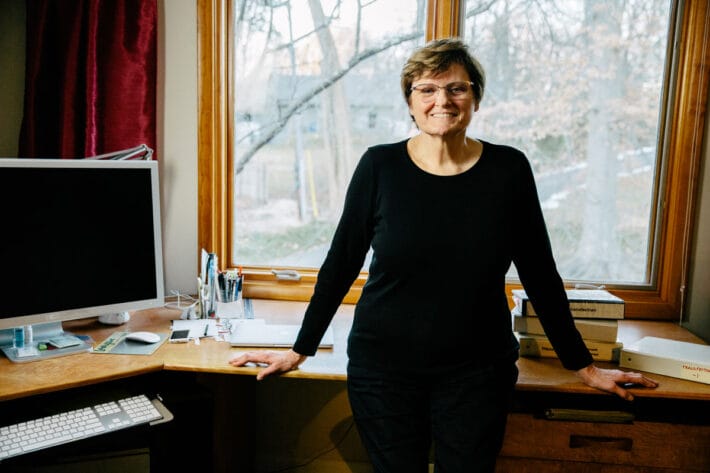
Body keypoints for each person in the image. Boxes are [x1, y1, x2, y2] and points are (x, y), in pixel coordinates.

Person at [229, 38, 658, 472]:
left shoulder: (508, 170)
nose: (442, 101)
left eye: (457, 88)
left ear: (475, 98)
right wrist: (299, 349)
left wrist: (583, 366)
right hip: (384, 370)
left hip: (477, 373)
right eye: (427, 89)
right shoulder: (379, 167)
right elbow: (340, 265)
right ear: (410, 101)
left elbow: (540, 274)